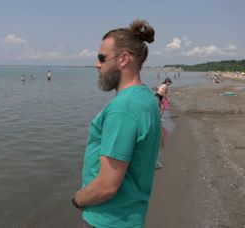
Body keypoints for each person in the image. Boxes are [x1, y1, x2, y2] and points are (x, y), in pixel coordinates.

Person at [72, 20, 160, 228]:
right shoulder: (146, 98)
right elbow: (158, 141)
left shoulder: (123, 108)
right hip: (130, 216)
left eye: (102, 58)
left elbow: (106, 186)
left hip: (108, 220)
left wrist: (78, 199)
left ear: (123, 59)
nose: (97, 65)